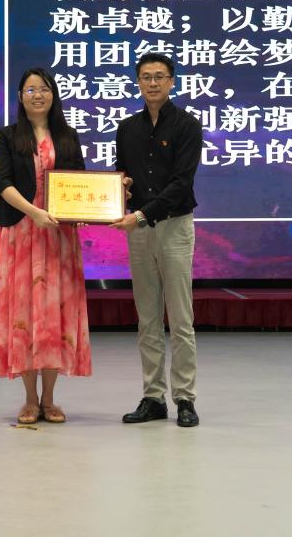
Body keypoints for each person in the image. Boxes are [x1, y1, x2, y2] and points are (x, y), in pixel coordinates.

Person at [0, 67, 92, 424]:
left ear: (53, 95)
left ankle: (49, 399)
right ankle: (30, 399)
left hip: (59, 237)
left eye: (44, 89)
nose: (37, 95)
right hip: (21, 233)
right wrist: (34, 213)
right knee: (23, 314)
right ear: (20, 96)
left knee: (54, 315)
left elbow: (79, 183)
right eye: (30, 89)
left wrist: (81, 213)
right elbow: (2, 182)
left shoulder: (67, 136)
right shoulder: (7, 136)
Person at [110, 52, 203, 428]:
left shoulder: (187, 125)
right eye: (146, 77)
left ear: (171, 82)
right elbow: (121, 175)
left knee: (180, 319)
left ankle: (185, 398)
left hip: (173, 226)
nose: (152, 83)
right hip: (139, 230)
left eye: (159, 77)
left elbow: (182, 183)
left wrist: (141, 214)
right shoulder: (127, 128)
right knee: (147, 319)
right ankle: (153, 397)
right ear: (138, 82)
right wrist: (121, 189)